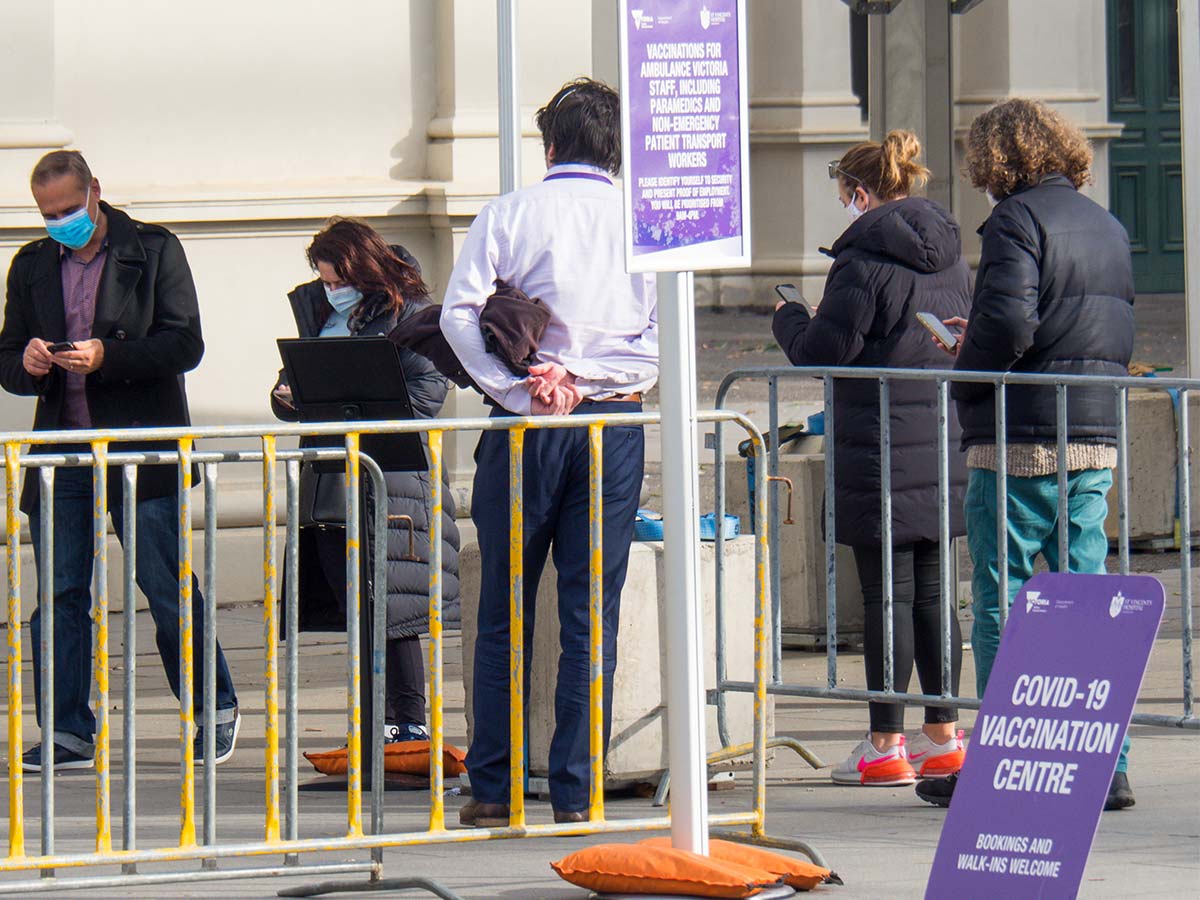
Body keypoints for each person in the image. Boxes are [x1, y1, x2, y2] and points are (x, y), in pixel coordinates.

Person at [441, 78, 658, 827]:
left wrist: (519, 389)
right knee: (589, 615)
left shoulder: (508, 213)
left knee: (503, 608)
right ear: (616, 149)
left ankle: (495, 788)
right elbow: (655, 351)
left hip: (527, 429)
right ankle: (578, 788)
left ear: (552, 144)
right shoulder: (645, 221)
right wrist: (586, 374)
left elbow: (457, 315)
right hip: (612, 426)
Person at [915, 99, 1136, 810]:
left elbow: (1010, 322)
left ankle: (1010, 760)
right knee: (1086, 602)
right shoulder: (1106, 222)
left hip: (1019, 437)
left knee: (1001, 598)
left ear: (996, 159)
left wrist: (965, 362)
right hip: (1092, 430)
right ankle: (1107, 762)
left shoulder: (1016, 219)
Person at [0, 150, 239, 771]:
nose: (59, 222)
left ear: (96, 193)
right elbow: (6, 358)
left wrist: (109, 356)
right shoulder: (30, 264)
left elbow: (185, 343)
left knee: (162, 583)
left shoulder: (153, 250)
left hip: (141, 447)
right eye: (48, 214)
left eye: (69, 210)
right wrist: (24, 364)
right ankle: (68, 730)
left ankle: (213, 707)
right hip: (62, 451)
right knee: (59, 593)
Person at [772, 131, 970, 787]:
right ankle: (943, 737)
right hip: (940, 439)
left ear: (859, 193)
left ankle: (885, 744)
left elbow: (824, 349)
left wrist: (790, 317)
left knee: (887, 599)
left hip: (879, 449)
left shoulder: (860, 261)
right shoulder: (950, 254)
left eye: (843, 197)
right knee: (936, 597)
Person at [270, 217, 460, 744]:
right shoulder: (319, 315)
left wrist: (348, 397)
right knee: (354, 605)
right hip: (329, 481)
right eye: (325, 282)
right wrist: (290, 395)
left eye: (339, 282)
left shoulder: (415, 313)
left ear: (365, 270)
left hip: (391, 479)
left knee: (392, 607)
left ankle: (409, 721)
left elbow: (426, 396)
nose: (332, 293)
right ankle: (374, 724)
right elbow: (299, 390)